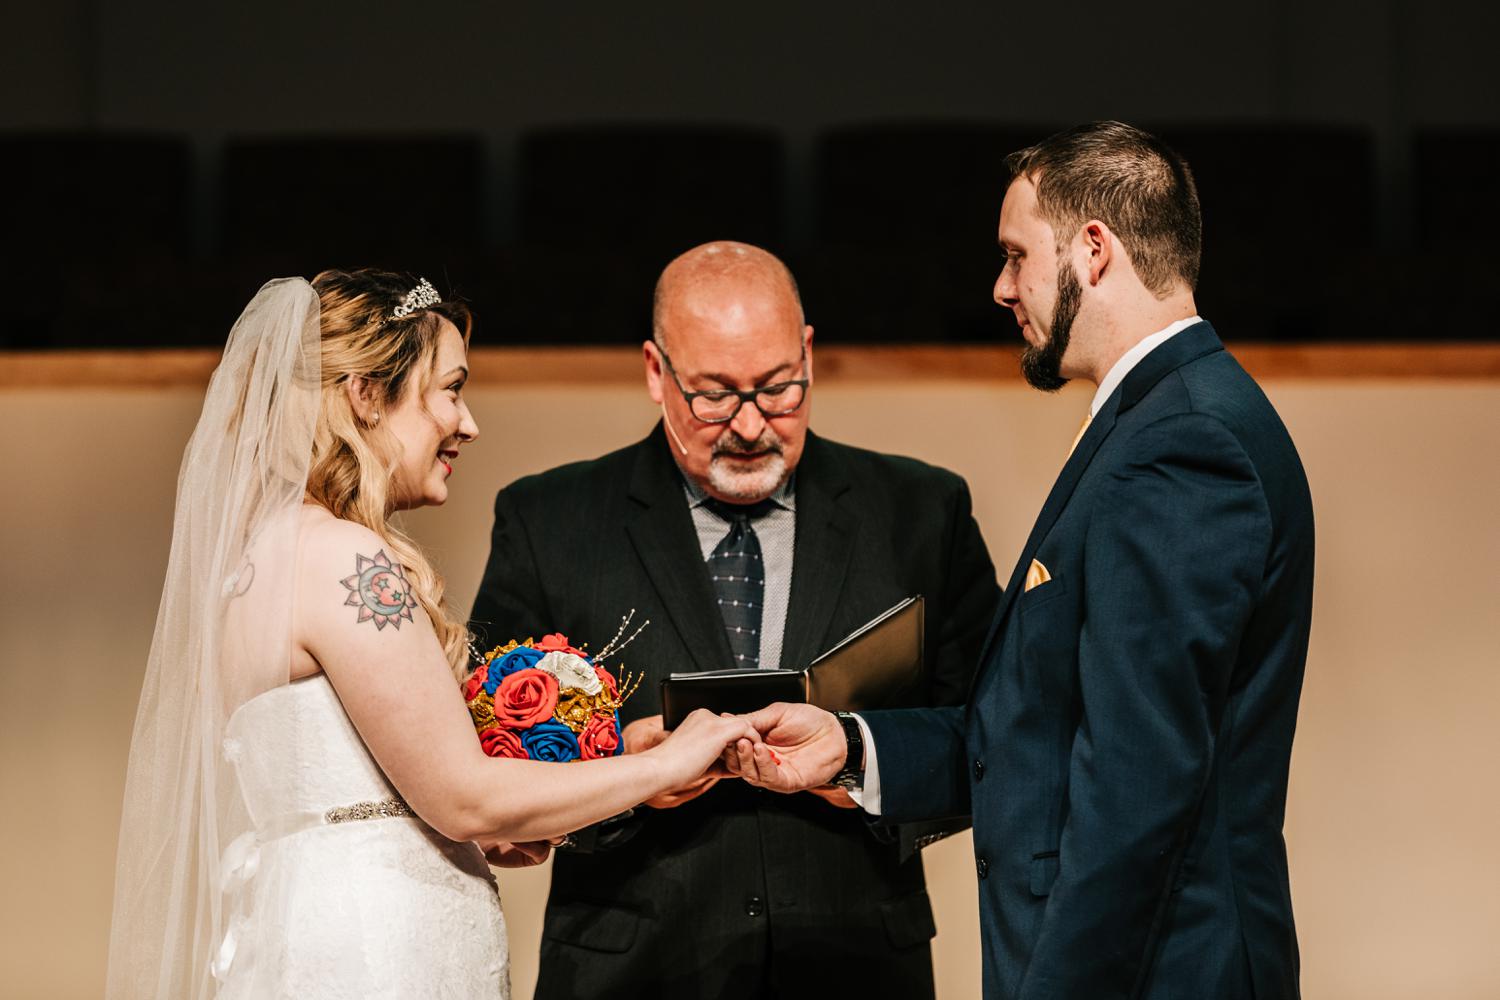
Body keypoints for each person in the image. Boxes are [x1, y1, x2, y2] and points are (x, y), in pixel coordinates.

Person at [730, 122, 1315, 1000]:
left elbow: (1135, 787)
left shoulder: (1184, 443)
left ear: (1094, 248)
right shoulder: (1156, 420)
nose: (1001, 287)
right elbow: (1041, 727)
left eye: (1015, 255)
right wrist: (851, 746)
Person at [105, 269, 755, 1000]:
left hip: (311, 921)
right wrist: (672, 764)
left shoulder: (263, 558)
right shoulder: (345, 557)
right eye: (450, 388)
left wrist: (562, 785)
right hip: (376, 942)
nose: (467, 421)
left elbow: (402, 790)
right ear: (367, 395)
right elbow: (463, 799)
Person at [468, 241, 1001, 999]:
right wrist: (629, 769)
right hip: (631, 971)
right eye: (714, 395)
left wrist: (858, 754)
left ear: (809, 352)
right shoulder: (548, 522)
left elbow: (995, 733)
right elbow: (491, 761)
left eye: (780, 389)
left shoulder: (922, 512)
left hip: (856, 966)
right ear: (656, 372)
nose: (751, 426)